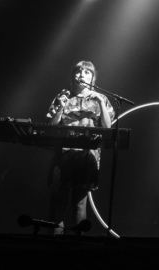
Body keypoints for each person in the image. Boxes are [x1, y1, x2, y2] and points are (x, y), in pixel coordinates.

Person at [46, 61, 114, 233]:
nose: (82, 74)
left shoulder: (101, 99)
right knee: (59, 204)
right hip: (64, 155)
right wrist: (60, 108)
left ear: (92, 78)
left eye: (86, 72)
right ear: (73, 76)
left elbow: (107, 128)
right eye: (78, 71)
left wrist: (100, 102)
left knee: (79, 204)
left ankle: (78, 245)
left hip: (87, 157)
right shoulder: (63, 97)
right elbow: (51, 126)